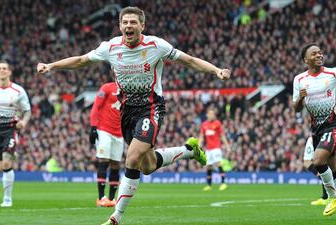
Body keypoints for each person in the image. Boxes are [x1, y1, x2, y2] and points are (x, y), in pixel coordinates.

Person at [37, 6, 230, 225]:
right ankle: (188, 150)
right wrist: (51, 66)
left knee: (132, 157)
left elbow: (190, 61)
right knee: (146, 166)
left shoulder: (156, 45)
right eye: (125, 22)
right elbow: (81, 60)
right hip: (126, 111)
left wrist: (216, 70)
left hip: (150, 108)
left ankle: (115, 217)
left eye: (133, 22)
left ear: (142, 26)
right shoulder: (110, 47)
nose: (129, 26)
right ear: (120, 26)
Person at [293, 43, 336, 220]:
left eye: (320, 53)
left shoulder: (333, 73)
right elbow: (296, 109)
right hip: (316, 129)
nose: (319, 55)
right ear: (305, 60)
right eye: (314, 54)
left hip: (334, 125)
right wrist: (300, 98)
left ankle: (332, 197)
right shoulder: (299, 80)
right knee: (332, 169)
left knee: (317, 160)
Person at [0, 61, 31, 207]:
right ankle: (4, 186)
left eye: (4, 68)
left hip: (10, 129)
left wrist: (24, 122)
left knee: (7, 162)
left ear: (9, 72)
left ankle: (7, 199)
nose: (2, 71)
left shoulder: (18, 91)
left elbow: (27, 111)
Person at [90, 82, 123, 207]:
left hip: (119, 133)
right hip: (104, 130)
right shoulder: (106, 88)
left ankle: (111, 198)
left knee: (115, 164)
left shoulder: (129, 90)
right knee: (103, 160)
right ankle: (101, 198)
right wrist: (93, 127)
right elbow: (96, 106)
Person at [199, 109, 231, 191]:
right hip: (208, 149)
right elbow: (202, 136)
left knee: (218, 163)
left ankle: (223, 183)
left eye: (213, 114)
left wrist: (227, 146)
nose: (212, 115)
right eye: (211, 114)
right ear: (207, 115)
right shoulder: (204, 125)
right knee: (208, 166)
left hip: (216, 148)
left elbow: (222, 136)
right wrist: (199, 145)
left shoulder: (217, 123)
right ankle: (209, 185)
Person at [303, 136, 329, 205]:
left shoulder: (328, 136)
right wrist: (317, 172)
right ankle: (327, 197)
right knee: (323, 171)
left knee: (325, 169)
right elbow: (307, 163)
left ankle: (327, 198)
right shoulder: (311, 139)